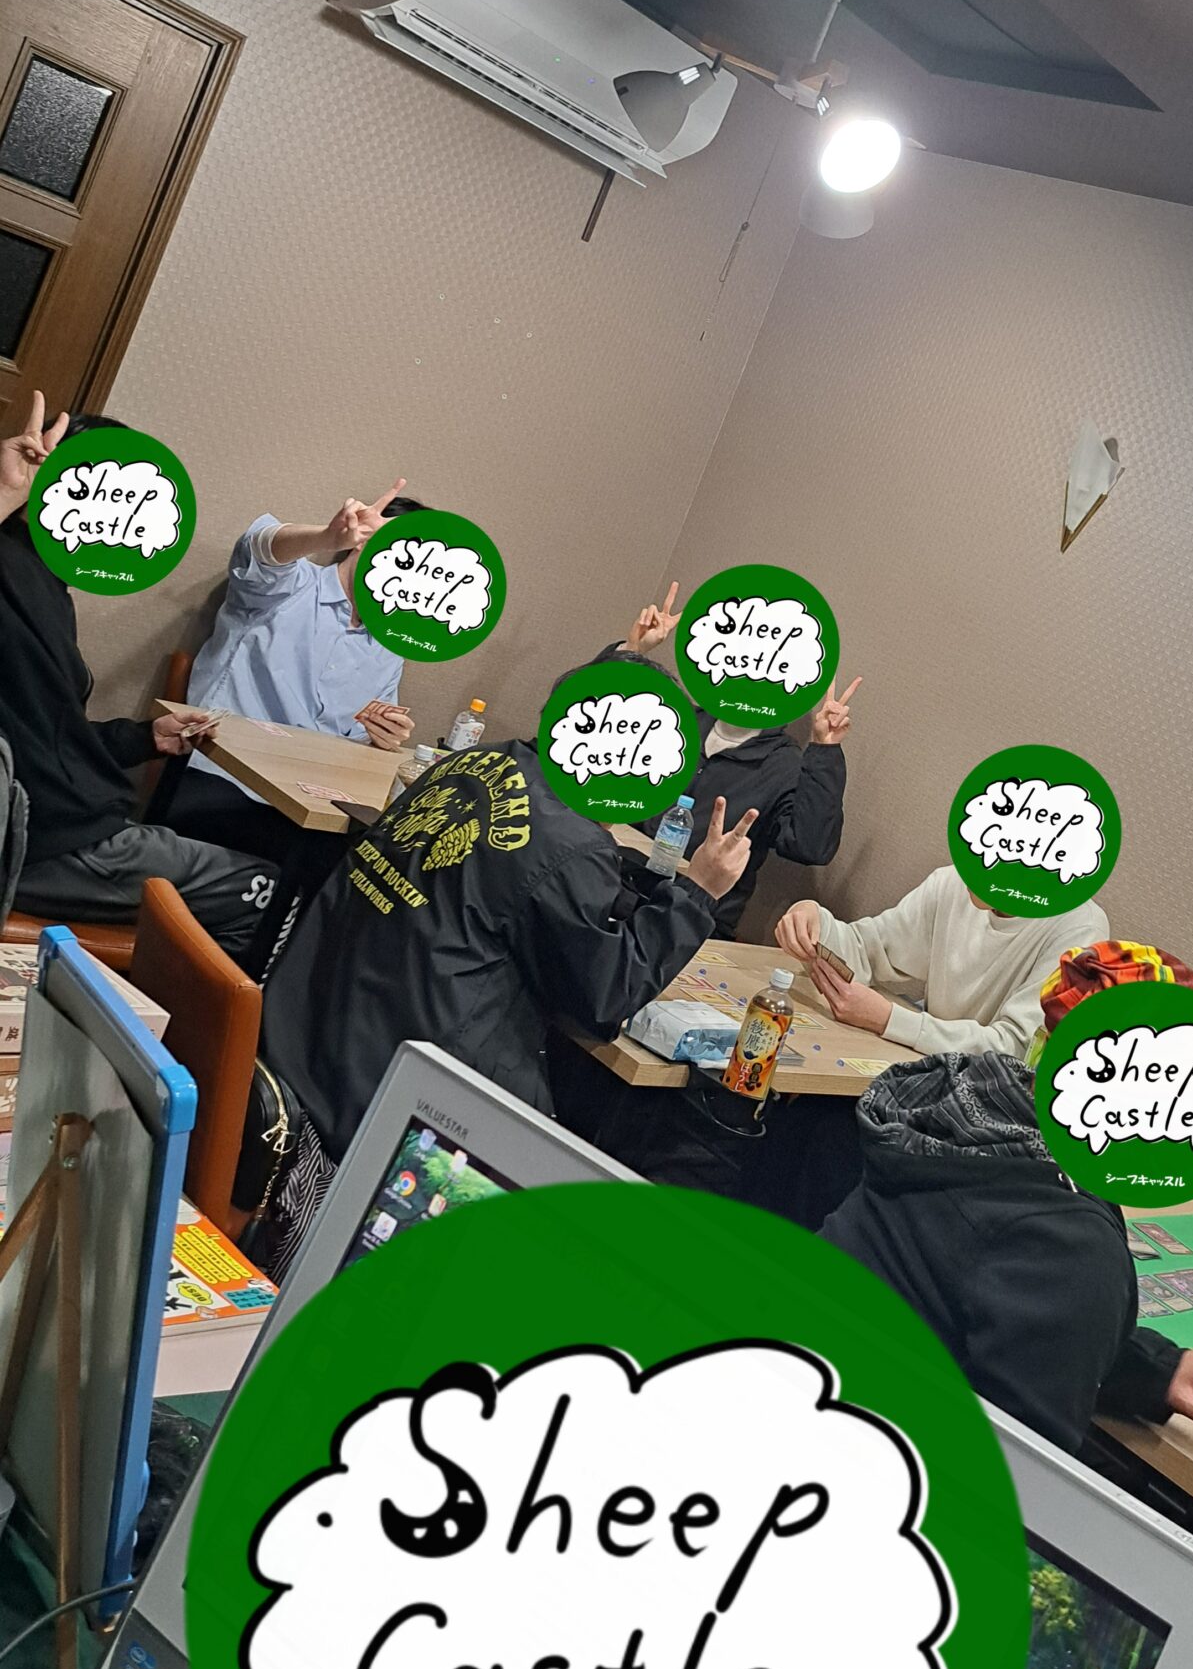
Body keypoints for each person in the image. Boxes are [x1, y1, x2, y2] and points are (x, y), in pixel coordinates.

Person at [252, 678, 761, 1275]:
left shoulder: (473, 762)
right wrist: (699, 893)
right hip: (396, 1098)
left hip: (307, 1038)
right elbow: (607, 996)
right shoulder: (568, 842)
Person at [821, 941, 1193, 1456]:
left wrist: (1157, 1370)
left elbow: (988, 1304)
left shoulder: (967, 1121)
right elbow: (1016, 1472)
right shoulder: (1070, 1247)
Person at [0, 394, 276, 963]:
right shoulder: (9, 564)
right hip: (41, 842)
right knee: (270, 892)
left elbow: (46, 735)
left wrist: (145, 737)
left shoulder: (44, 580)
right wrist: (5, 492)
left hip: (69, 826)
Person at [165, 477, 428, 863]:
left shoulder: (390, 645)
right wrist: (326, 537)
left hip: (313, 805)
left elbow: (361, 741)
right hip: (220, 778)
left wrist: (384, 737)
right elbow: (257, 545)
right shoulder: (291, 585)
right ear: (364, 541)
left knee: (377, 864)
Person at [602, 583, 858, 937]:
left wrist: (824, 749)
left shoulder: (783, 764)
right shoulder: (676, 721)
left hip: (695, 918)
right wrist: (633, 651)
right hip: (612, 882)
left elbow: (811, 846)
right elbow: (591, 728)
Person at [774, 862, 1110, 1059]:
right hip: (914, 1070)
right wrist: (811, 919)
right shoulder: (951, 882)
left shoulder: (1079, 927)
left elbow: (1014, 1051)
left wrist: (887, 1019)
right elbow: (867, 950)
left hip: (982, 1109)